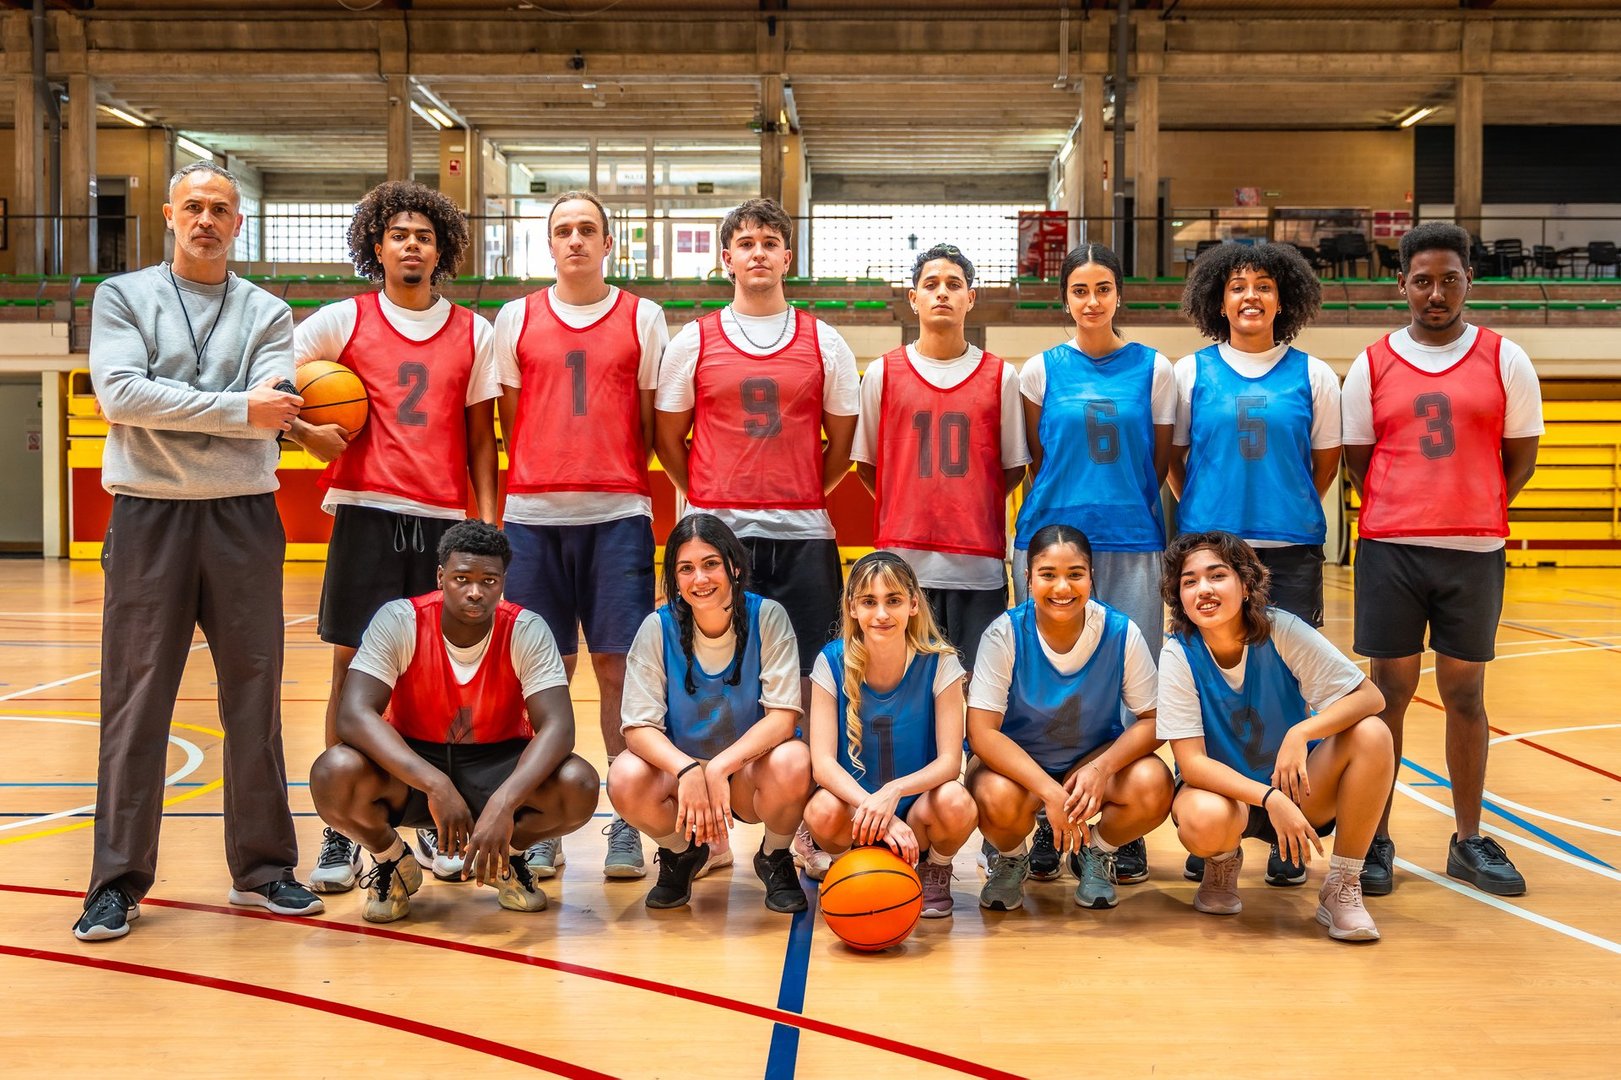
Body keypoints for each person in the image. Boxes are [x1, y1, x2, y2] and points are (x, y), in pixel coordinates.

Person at [76, 160, 320, 941]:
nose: (206, 219)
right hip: (148, 516)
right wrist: (234, 410)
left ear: (238, 223)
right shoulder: (122, 297)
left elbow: (273, 405)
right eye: (193, 207)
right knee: (136, 701)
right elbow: (119, 394)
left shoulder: (269, 312)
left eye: (220, 208)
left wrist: (229, 412)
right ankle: (115, 882)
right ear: (169, 215)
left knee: (255, 698)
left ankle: (264, 868)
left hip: (244, 518)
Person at [290, 180, 500, 893]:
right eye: (399, 234)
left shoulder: (475, 330)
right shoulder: (337, 322)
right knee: (351, 666)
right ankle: (340, 825)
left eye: (425, 236)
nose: (411, 245)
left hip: (442, 520)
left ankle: (430, 820)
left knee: (434, 675)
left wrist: (486, 520)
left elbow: (481, 437)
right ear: (375, 245)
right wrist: (304, 431)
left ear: (442, 251)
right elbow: (273, 389)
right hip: (365, 510)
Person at [653, 197, 859, 879]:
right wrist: (710, 505)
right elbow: (667, 439)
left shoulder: (822, 339)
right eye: (745, 243)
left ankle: (796, 827)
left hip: (801, 534)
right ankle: (706, 829)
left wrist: (796, 491)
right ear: (726, 259)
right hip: (720, 538)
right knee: (709, 679)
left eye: (770, 242)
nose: (758, 253)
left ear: (787, 258)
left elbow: (841, 443)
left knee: (807, 683)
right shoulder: (695, 340)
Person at [1342, 221, 1543, 897]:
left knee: (1465, 694)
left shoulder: (1503, 358)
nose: (1435, 293)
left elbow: (1519, 457)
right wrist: (1412, 506)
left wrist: (1472, 502)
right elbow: (1358, 461)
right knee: (1387, 697)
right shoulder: (1371, 363)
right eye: (1422, 280)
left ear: (1467, 282)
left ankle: (1466, 839)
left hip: (1472, 552)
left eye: (1448, 280)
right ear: (1400, 283)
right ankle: (1375, 839)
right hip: (1391, 548)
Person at [493, 190, 669, 882]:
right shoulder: (515, 318)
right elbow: (510, 418)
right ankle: (543, 818)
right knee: (543, 676)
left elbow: (654, 423)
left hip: (618, 514)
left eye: (586, 230)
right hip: (533, 518)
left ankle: (625, 818)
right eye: (562, 229)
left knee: (616, 671)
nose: (574, 240)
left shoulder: (642, 317)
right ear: (549, 242)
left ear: (607, 242)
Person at [308, 521, 599, 923]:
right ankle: (391, 860)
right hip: (413, 764)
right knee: (333, 771)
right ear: (441, 576)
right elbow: (354, 715)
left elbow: (559, 729)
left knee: (578, 784)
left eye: (489, 580)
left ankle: (506, 860)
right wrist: (434, 782)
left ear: (503, 582)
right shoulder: (401, 620)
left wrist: (504, 803)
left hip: (497, 763)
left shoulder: (526, 629)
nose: (475, 591)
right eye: (462, 578)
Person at [1171, 240, 1341, 885]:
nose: (1250, 296)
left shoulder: (1314, 374)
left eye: (1264, 285)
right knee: (1214, 691)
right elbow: (1177, 461)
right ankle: (1219, 834)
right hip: (1210, 553)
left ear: (1284, 299)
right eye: (1237, 285)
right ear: (1218, 298)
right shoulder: (1190, 373)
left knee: (1288, 693)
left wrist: (1278, 504)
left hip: (1289, 550)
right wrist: (1214, 521)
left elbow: (1322, 465)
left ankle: (1282, 832)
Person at [1013, 242, 1175, 885]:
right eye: (1079, 290)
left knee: (1132, 692)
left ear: (1118, 296)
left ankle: (1116, 829)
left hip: (1132, 539)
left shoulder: (1155, 368)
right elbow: (1034, 456)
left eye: (1102, 288)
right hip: (1052, 544)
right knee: (1045, 689)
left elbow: (1159, 462)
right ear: (1065, 299)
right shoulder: (1039, 371)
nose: (1091, 301)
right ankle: (1048, 820)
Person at [1159, 532, 1393, 942]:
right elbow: (1192, 764)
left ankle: (1341, 886)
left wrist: (1302, 732)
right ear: (1179, 596)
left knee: (1373, 734)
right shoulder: (1179, 652)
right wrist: (1269, 798)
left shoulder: (1282, 630)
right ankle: (1221, 862)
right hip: (1227, 797)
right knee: (1202, 817)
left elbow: (1369, 697)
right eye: (1190, 581)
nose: (1204, 589)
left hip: (1298, 786)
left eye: (1217, 576)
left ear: (1246, 585)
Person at [606, 514, 813, 913]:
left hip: (746, 775)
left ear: (734, 566)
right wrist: (688, 771)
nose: (699, 579)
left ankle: (774, 856)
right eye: (686, 569)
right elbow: (637, 727)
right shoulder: (657, 627)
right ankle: (681, 854)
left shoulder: (767, 617)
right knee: (626, 775)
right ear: (674, 579)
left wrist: (718, 768)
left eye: (710, 564)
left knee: (794, 760)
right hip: (683, 779)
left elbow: (784, 717)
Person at [967, 524, 1170, 912]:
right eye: (1048, 575)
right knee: (992, 794)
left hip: (1089, 761)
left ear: (1092, 577)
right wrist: (1049, 791)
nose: (1062, 588)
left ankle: (1095, 851)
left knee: (1153, 783)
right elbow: (981, 733)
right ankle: (1011, 857)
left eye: (1075, 574)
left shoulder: (1121, 632)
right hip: (1022, 766)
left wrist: (1101, 769)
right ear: (1028, 578)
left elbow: (1154, 719)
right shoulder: (1004, 634)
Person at [852, 244, 1027, 672]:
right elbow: (869, 467)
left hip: (978, 563)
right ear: (913, 298)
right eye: (931, 285)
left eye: (954, 284)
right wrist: (910, 503)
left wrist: (966, 502)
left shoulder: (1001, 375)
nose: (942, 293)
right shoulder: (882, 372)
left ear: (971, 297)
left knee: (979, 686)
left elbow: (1012, 469)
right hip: (903, 564)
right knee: (907, 682)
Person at [803, 552, 978, 917]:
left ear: (914, 604)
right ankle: (848, 865)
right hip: (857, 812)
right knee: (821, 809)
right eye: (869, 601)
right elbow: (821, 764)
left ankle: (935, 866)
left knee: (957, 802)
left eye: (893, 600)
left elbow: (950, 762)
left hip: (918, 811)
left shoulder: (940, 662)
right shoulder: (830, 662)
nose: (881, 614)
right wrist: (876, 809)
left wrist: (894, 793)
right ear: (852, 608)